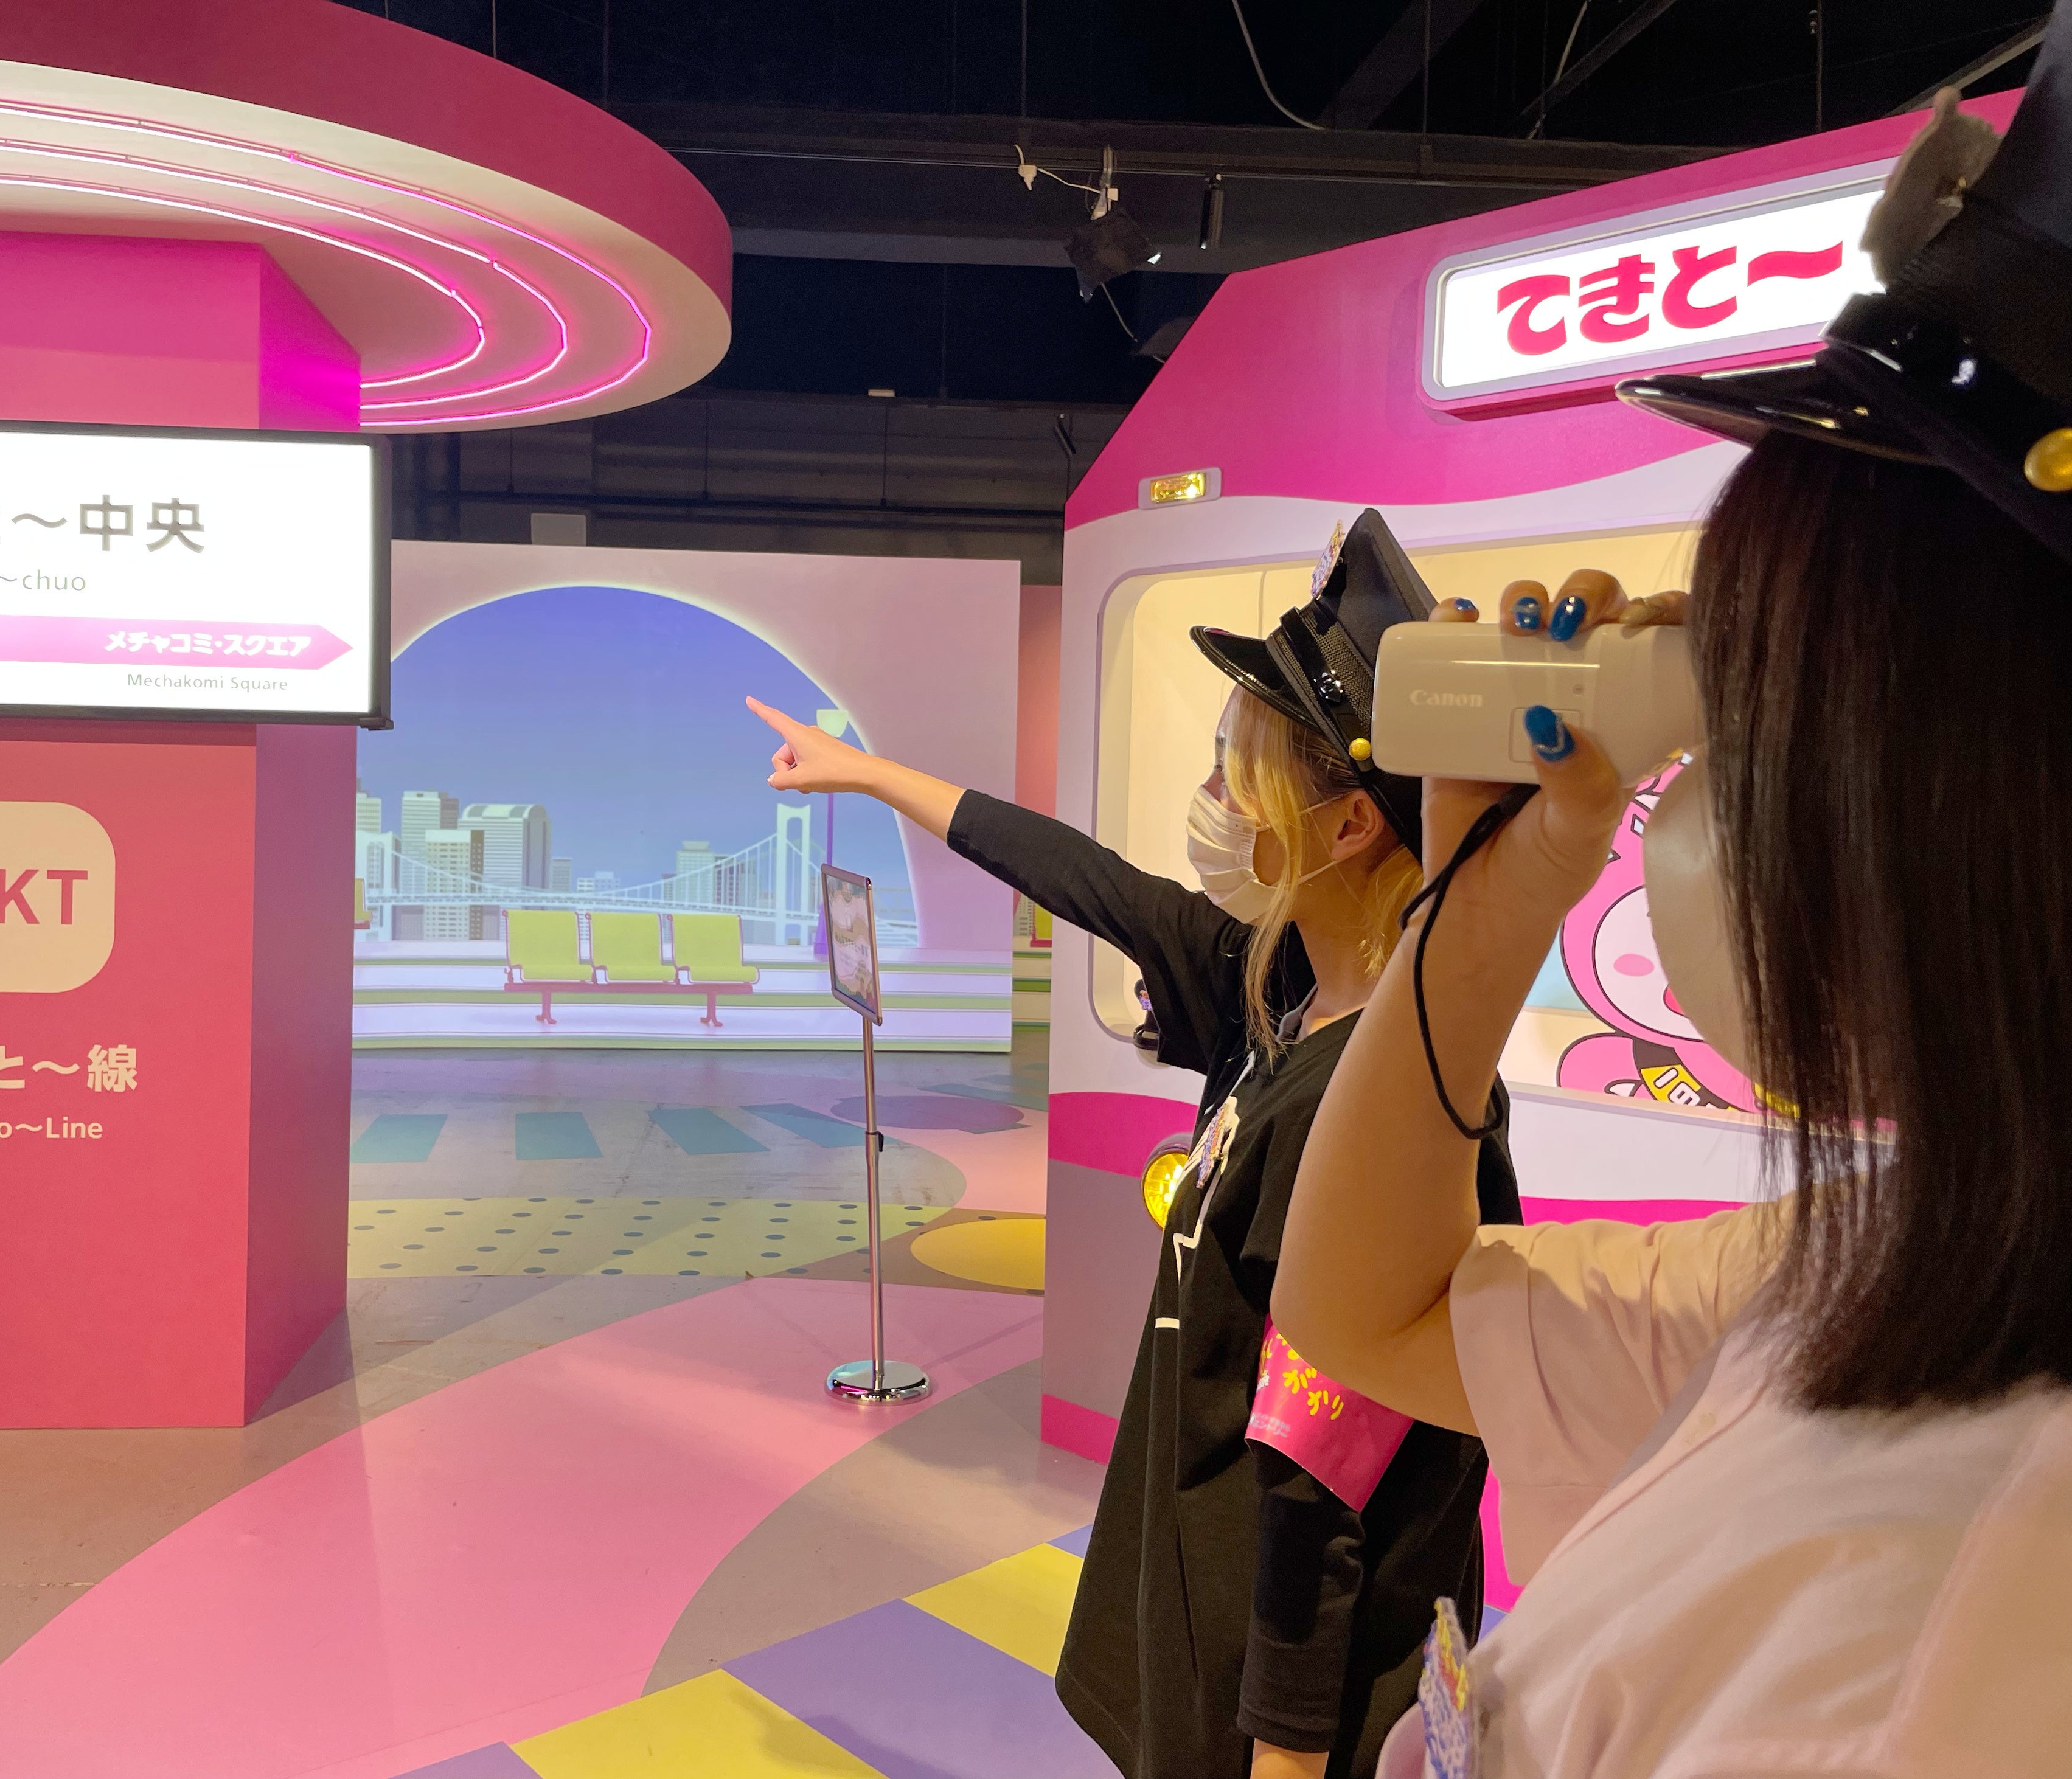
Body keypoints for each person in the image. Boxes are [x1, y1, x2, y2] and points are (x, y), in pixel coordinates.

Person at [1270, 24, 2072, 1775]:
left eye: (1767, 715)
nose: (1719, 808)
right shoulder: (1888, 1263)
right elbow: (1366, 1304)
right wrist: (1502, 888)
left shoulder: (1938, 1643)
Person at [748, 510, 1522, 1779]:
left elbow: (1322, 1490)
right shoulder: (1275, 985)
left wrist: (1282, 1759)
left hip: (1284, 1699)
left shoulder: (1379, 1104)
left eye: (1239, 772)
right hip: (1204, 1618)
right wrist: (871, 774)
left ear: (1347, 827)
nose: (1215, 802)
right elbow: (1083, 875)